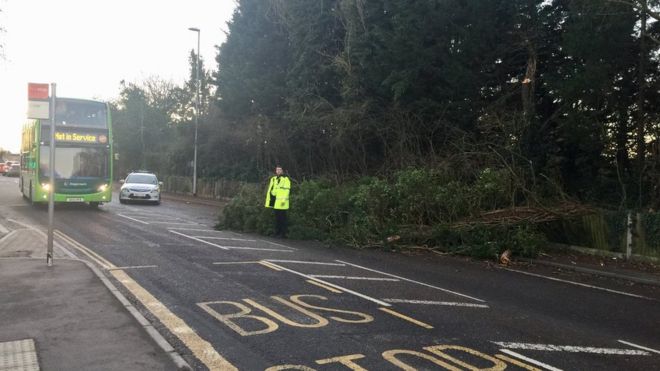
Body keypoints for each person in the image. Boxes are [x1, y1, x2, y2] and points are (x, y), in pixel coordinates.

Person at [264, 165, 291, 238]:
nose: (278, 171)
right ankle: (277, 233)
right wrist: (272, 194)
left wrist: (283, 200)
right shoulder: (274, 179)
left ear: (282, 171)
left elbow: (287, 191)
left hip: (283, 203)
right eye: (277, 170)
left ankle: (283, 234)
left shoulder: (286, 179)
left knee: (283, 219)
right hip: (276, 203)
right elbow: (273, 190)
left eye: (279, 170)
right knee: (277, 219)